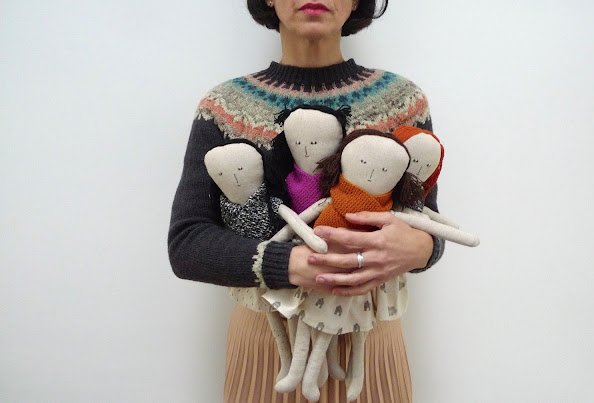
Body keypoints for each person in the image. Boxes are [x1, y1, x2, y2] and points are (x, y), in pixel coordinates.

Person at [168, 1, 445, 401]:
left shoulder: (402, 101)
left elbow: (428, 222)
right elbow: (187, 244)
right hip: (267, 348)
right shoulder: (225, 106)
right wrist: (291, 264)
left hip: (370, 346)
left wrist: (420, 248)